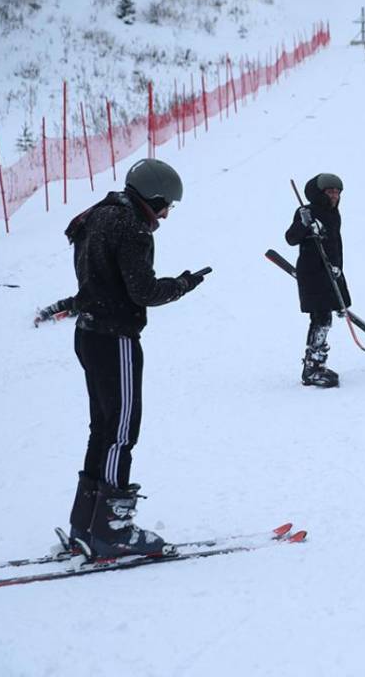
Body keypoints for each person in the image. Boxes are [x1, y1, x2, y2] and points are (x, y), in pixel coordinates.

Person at [61, 158, 209, 558]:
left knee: (103, 428)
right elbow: (142, 291)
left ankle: (85, 524)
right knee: (121, 431)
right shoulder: (131, 228)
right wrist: (181, 285)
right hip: (116, 338)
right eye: (167, 204)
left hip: (89, 333)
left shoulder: (97, 216)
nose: (167, 212)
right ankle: (111, 529)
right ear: (154, 196)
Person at [285, 173, 350, 388]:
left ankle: (316, 365)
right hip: (313, 274)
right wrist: (305, 225)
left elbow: (335, 247)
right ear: (319, 193)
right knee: (321, 319)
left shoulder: (333, 213)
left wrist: (338, 274)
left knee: (325, 319)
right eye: (330, 191)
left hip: (330, 273)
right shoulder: (307, 211)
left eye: (337, 192)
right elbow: (291, 238)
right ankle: (311, 369)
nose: (334, 195)